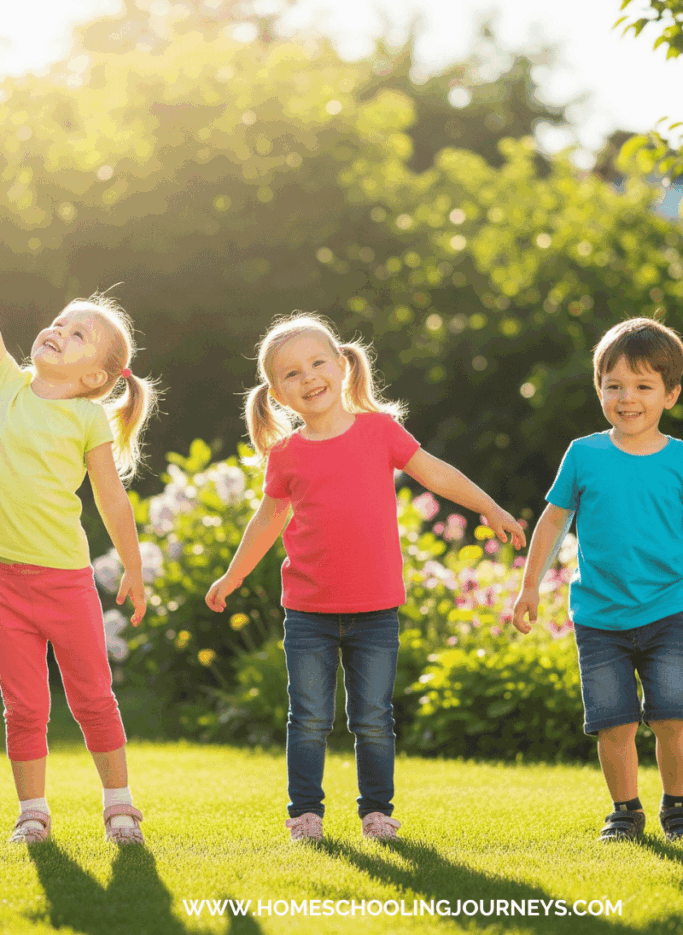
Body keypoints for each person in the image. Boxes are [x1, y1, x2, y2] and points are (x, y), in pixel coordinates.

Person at [206, 312, 525, 842]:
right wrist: (232, 576)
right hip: (308, 612)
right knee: (308, 718)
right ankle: (305, 814)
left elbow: (435, 471)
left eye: (316, 363)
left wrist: (489, 508)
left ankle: (377, 813)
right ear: (278, 395)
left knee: (373, 718)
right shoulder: (286, 454)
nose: (308, 377)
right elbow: (268, 519)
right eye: (291, 374)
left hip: (376, 610)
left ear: (342, 366)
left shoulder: (379, 431)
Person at [513, 316, 683, 843]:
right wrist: (529, 585)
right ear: (599, 390)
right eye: (614, 386)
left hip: (670, 609)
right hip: (600, 617)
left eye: (642, 386)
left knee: (675, 718)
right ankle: (625, 811)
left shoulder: (680, 460)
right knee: (613, 724)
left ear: (671, 394)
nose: (626, 398)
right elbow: (553, 520)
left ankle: (677, 808)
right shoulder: (584, 454)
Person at [0, 293, 158, 845]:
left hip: (65, 583)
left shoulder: (88, 417)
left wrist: (133, 570)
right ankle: (33, 814)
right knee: (24, 705)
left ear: (95, 375)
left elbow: (112, 501)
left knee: (92, 697)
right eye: (58, 322)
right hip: (3, 584)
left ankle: (120, 809)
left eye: (76, 334)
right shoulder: (9, 384)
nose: (57, 331)